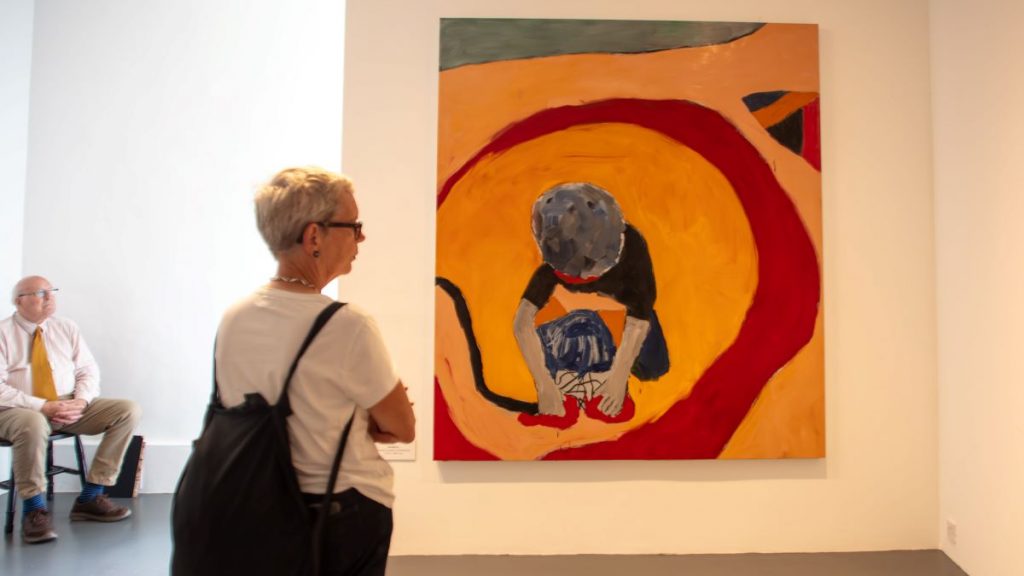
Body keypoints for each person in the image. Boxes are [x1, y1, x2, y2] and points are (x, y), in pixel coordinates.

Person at [214, 166, 415, 575]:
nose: (361, 238)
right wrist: (370, 418)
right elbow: (403, 426)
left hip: (255, 507)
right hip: (339, 512)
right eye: (353, 226)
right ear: (314, 237)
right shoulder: (347, 325)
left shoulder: (234, 317)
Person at [0, 276, 141, 544]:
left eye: (51, 291)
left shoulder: (66, 327)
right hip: (16, 409)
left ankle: (90, 496)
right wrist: (43, 405)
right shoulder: (2, 332)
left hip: (66, 402)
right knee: (33, 423)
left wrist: (82, 401)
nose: (50, 297)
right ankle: (34, 510)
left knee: (127, 410)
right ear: (19, 301)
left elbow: (88, 370)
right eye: (41, 293)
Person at [513, 183, 669, 422]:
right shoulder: (555, 260)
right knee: (557, 355)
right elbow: (522, 323)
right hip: (573, 322)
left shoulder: (633, 248)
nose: (590, 277)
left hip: (628, 318)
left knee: (654, 368)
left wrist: (618, 378)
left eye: (600, 267)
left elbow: (639, 319)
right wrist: (544, 384)